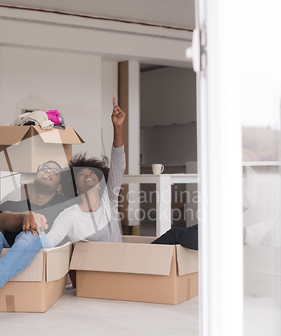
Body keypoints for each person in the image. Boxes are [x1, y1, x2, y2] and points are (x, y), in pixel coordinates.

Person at [42, 96, 199, 253]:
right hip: (114, 267)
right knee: (177, 234)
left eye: (92, 173)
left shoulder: (108, 199)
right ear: (75, 189)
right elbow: (48, 243)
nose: (88, 175)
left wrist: (117, 127)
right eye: (81, 174)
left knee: (195, 229)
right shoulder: (70, 215)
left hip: (126, 260)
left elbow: (118, 165)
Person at [0, 159, 70, 323]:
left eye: (54, 172)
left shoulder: (64, 204)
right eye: (44, 168)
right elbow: (3, 221)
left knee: (32, 233)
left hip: (42, 246)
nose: (47, 171)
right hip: (12, 248)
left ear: (59, 187)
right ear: (34, 179)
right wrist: (25, 215)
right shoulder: (12, 203)